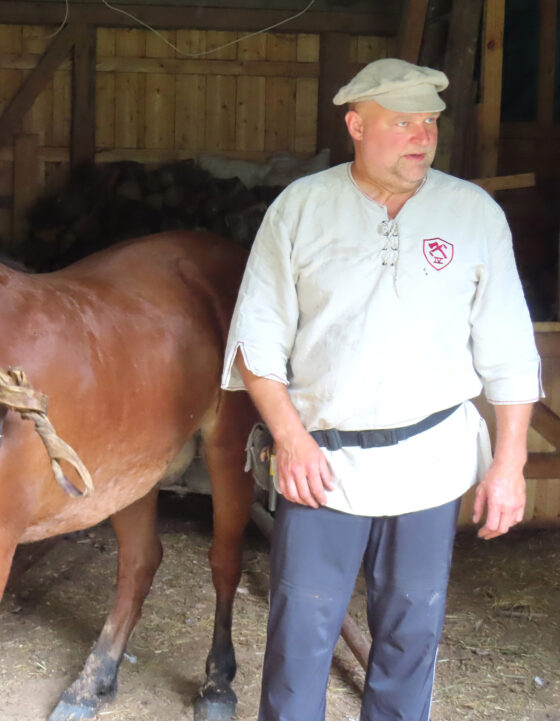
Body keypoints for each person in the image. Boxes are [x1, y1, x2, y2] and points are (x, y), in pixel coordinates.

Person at [220, 57, 542, 721]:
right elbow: (257, 343)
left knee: (410, 635)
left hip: (430, 459)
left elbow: (510, 351)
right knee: (299, 638)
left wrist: (509, 464)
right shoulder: (301, 209)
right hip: (321, 462)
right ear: (357, 126)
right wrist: (290, 439)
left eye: (430, 122)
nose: (422, 136)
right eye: (402, 123)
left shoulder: (472, 213)